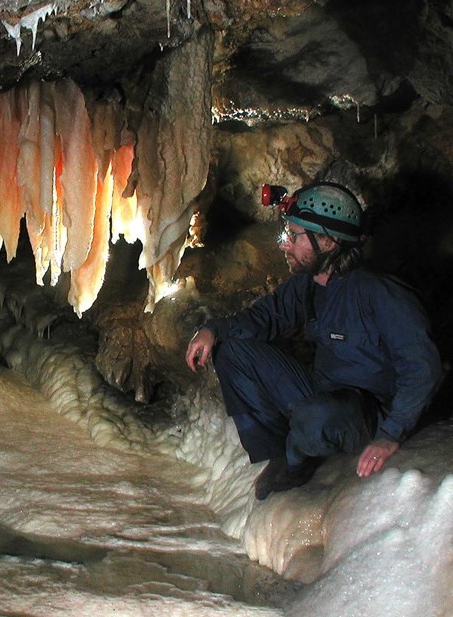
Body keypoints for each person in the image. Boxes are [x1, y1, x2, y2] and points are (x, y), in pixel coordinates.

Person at [185, 181, 442, 500]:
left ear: (328, 242)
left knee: (316, 416)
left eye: (293, 236)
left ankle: (297, 460)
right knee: (231, 350)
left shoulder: (380, 293)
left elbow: (424, 369)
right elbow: (266, 316)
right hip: (323, 393)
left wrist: (390, 435)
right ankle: (282, 450)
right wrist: (213, 330)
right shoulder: (308, 285)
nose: (284, 244)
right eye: (286, 234)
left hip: (365, 412)